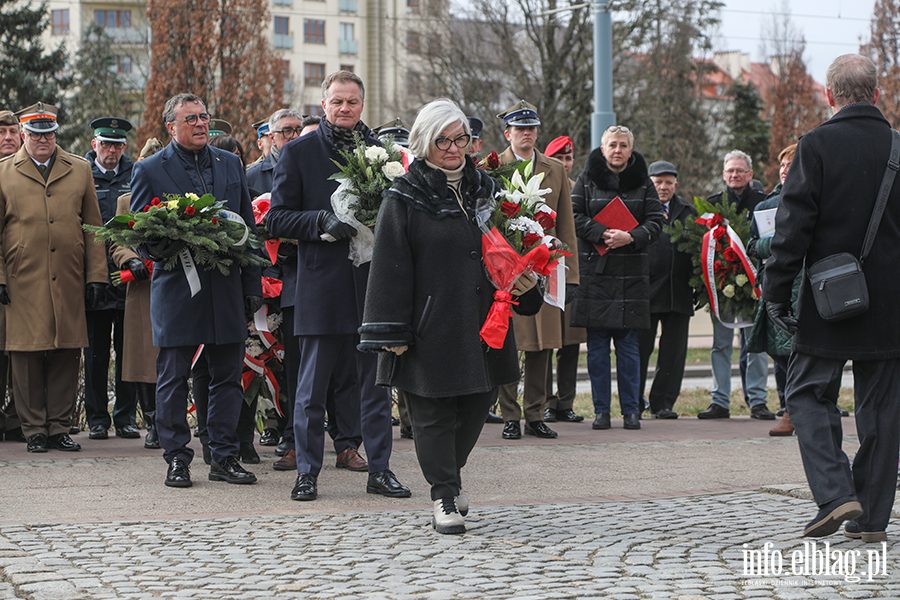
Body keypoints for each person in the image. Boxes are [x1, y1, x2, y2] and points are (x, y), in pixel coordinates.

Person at [359, 98, 544, 533]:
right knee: (432, 413)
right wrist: (393, 330)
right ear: (425, 142)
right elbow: (389, 267)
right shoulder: (404, 196)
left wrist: (526, 281)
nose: (454, 148)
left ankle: (450, 474)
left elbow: (510, 249)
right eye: (443, 139)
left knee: (478, 404)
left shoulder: (490, 190)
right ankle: (443, 495)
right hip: (430, 326)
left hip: (484, 321)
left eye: (460, 138)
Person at [764, 54, 900, 541]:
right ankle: (873, 520)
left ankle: (836, 492)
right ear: (877, 94)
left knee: (804, 393)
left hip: (828, 296)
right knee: (883, 410)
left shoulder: (815, 145)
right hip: (890, 305)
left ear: (829, 95)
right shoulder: (898, 148)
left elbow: (791, 228)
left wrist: (776, 293)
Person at [267, 70, 409, 502]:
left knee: (376, 386)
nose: (344, 108)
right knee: (310, 389)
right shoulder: (299, 153)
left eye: (352, 102)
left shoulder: (383, 154)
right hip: (322, 286)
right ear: (323, 105)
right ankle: (307, 472)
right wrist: (318, 222)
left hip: (372, 286)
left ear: (362, 105)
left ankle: (379, 469)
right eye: (337, 102)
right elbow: (275, 218)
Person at [130, 93, 263, 488]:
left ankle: (223, 456)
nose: (201, 123)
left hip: (225, 287)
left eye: (204, 116)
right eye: (191, 119)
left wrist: (252, 284)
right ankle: (177, 457)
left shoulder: (230, 163)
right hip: (177, 288)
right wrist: (167, 242)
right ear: (170, 127)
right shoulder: (150, 169)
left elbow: (247, 230)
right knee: (173, 376)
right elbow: (139, 233)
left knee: (226, 375)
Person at [0, 102, 108, 453]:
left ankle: (59, 426)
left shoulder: (78, 169)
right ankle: (32, 428)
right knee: (26, 354)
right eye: (34, 134)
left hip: (69, 276)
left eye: (47, 134)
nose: (41, 140)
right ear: (24, 136)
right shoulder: (3, 172)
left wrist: (97, 277)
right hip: (22, 278)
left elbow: (93, 228)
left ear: (55, 134)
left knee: (66, 350)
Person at [570, 125, 664, 431]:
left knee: (628, 349)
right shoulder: (586, 179)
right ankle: (601, 412)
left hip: (631, 275)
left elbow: (656, 221)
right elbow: (574, 215)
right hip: (596, 273)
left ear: (631, 150)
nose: (618, 150)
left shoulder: (645, 184)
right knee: (597, 350)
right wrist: (603, 233)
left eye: (623, 145)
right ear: (602, 148)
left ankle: (631, 412)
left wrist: (631, 236)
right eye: (612, 144)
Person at [496, 100, 579, 440]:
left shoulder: (554, 168)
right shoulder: (492, 166)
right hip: (502, 266)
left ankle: (535, 413)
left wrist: (571, 274)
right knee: (506, 340)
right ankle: (509, 416)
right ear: (508, 133)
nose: (526, 134)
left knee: (543, 343)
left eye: (531, 128)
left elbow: (567, 224)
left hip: (544, 265)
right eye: (520, 129)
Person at [698, 150, 773, 420]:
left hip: (755, 285)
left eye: (740, 170)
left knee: (756, 344)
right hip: (722, 286)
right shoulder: (712, 206)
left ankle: (758, 401)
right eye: (730, 171)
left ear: (750, 175)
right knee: (721, 345)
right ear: (723, 174)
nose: (735, 175)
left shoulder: (765, 204)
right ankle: (720, 400)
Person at [83, 117, 140, 442]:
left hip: (129, 274)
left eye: (117, 145)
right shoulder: (82, 175)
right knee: (96, 352)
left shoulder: (136, 174)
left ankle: (126, 417)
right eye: (106, 144)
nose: (111, 150)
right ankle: (96, 419)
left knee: (128, 349)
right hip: (95, 276)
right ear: (95, 145)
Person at [109, 138, 165, 450]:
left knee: (172, 356)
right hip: (142, 287)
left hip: (175, 283)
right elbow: (118, 240)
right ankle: (153, 421)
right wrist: (130, 259)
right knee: (144, 358)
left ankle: (171, 418)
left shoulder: (177, 201)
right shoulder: (126, 202)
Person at [638, 160, 697, 419]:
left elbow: (698, 250)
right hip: (645, 293)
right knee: (639, 350)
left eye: (668, 182)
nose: (663, 187)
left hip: (679, 293)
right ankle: (634, 401)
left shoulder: (688, 211)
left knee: (673, 354)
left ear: (676, 184)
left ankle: (663, 403)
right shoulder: (638, 209)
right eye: (657, 182)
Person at [542, 135, 586, 424]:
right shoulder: (541, 187)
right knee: (545, 340)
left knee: (570, 342)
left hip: (570, 272)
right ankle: (545, 401)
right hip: (545, 273)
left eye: (568, 159)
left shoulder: (579, 190)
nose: (565, 164)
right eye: (559, 159)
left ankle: (565, 402)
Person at [0, 110, 22, 443]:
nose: (7, 137)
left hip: (24, 281)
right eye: (1, 132)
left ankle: (19, 420)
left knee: (24, 354)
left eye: (12, 131)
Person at [247, 109, 304, 194]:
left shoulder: (318, 167)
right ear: (272, 138)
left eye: (300, 130)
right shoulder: (251, 177)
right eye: (287, 131)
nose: (295, 136)